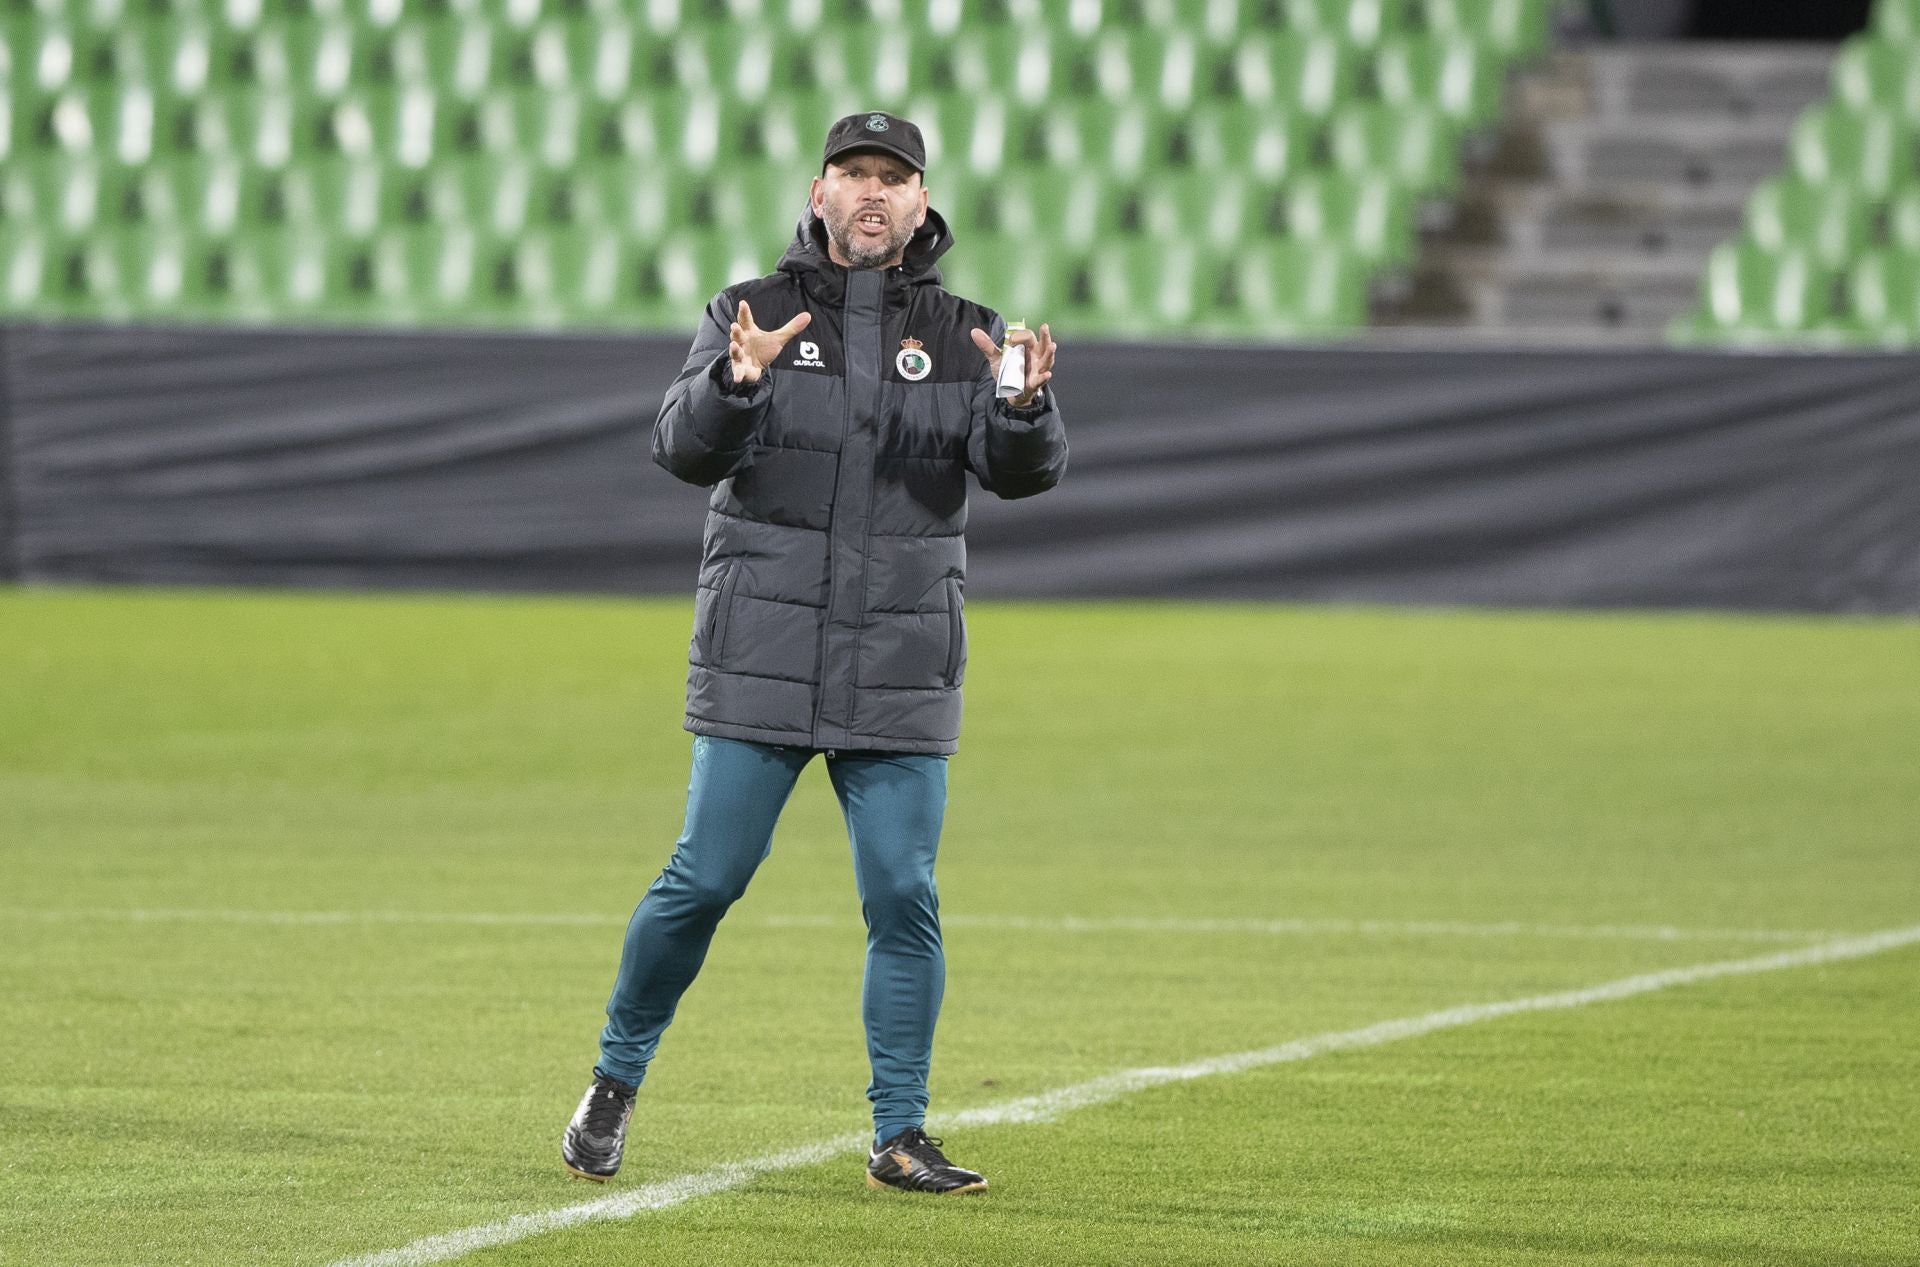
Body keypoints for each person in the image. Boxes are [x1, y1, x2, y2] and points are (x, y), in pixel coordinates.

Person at [562, 110, 1067, 1195]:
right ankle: (615, 1078)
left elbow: (1018, 470)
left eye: (895, 176)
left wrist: (1023, 406)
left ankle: (900, 1131)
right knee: (704, 880)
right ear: (820, 190)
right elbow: (679, 448)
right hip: (767, 646)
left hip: (896, 657)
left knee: (903, 894)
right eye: (856, 173)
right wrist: (735, 384)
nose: (874, 192)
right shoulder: (752, 314)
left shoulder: (969, 331)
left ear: (923, 201)